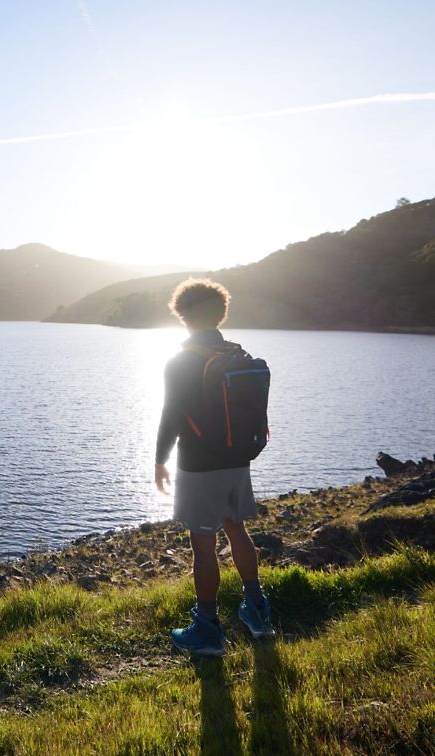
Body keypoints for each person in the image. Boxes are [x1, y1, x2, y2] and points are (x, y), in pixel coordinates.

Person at [154, 278, 274, 656]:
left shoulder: (182, 361)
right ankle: (257, 612)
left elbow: (171, 415)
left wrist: (160, 459)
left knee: (202, 545)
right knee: (237, 529)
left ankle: (207, 629)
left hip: (200, 463)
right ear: (221, 313)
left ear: (182, 315)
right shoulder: (236, 353)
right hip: (238, 458)